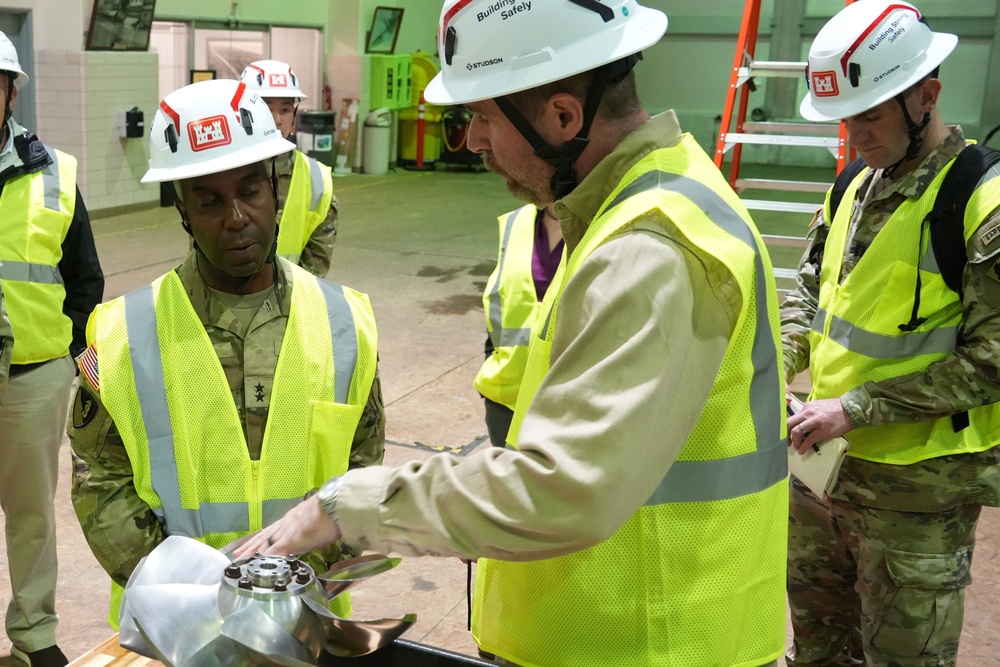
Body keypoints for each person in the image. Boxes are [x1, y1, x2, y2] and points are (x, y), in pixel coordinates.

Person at [238, 2, 789, 666]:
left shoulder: (650, 249)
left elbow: (564, 488)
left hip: (648, 641)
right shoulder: (630, 206)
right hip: (617, 628)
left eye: (484, 117)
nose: (471, 141)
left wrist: (353, 505)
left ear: (563, 116)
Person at [67, 78, 385, 628]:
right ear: (182, 209)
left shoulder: (346, 324)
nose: (236, 217)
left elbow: (360, 469)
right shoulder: (122, 333)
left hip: (303, 620)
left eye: (250, 191)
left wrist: (286, 585)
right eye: (209, 200)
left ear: (275, 188)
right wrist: (189, 595)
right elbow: (99, 479)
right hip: (171, 625)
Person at [780, 2, 1000, 665]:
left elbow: (992, 361)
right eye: (844, 118)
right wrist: (768, 368)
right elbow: (809, 292)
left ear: (926, 96)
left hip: (917, 498)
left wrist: (853, 408)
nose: (853, 136)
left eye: (868, 115)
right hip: (822, 475)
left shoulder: (982, 206)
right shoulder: (852, 181)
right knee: (818, 648)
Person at [0, 30, 104, 667]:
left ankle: (35, 634)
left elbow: (85, 283)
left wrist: (81, 368)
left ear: (10, 91)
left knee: (31, 511)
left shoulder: (53, 172)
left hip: (34, 377)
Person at [474, 204, 564, 447]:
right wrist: (493, 359)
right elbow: (502, 301)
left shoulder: (604, 223)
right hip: (507, 393)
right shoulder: (517, 221)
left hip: (565, 397)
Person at [239, 60, 337, 277]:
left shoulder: (316, 179)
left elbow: (316, 264)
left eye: (285, 109)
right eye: (265, 107)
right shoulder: (221, 171)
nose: (276, 119)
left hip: (292, 302)